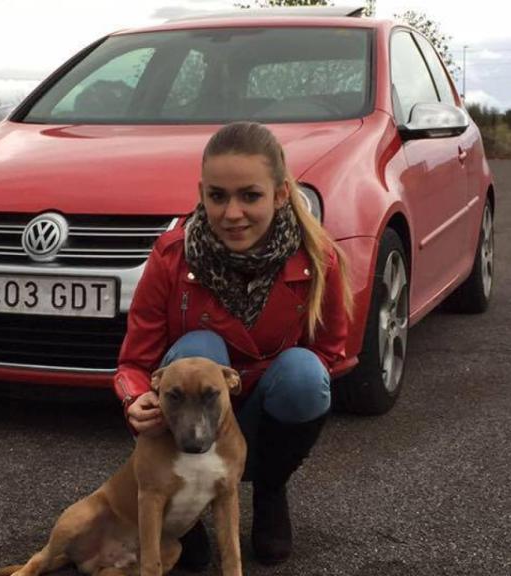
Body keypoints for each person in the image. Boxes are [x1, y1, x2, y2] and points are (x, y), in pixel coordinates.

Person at [113, 121, 353, 568]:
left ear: (281, 194)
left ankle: (270, 487)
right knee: (197, 348)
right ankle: (187, 509)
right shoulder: (171, 256)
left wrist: (250, 391)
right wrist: (135, 397)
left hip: (264, 402)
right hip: (189, 404)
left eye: (250, 195)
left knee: (305, 376)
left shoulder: (318, 258)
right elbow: (133, 362)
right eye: (218, 196)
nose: (231, 213)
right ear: (202, 192)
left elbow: (331, 352)